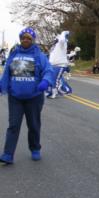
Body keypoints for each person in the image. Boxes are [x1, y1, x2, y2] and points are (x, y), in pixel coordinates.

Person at [0, 27, 54, 164]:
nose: (25, 40)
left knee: (34, 125)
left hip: (34, 98)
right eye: (23, 37)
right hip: (15, 97)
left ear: (33, 40)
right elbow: (7, 71)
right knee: (13, 126)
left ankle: (35, 148)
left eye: (28, 38)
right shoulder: (14, 54)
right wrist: (2, 85)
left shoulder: (39, 55)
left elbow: (48, 70)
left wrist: (46, 81)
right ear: (20, 39)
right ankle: (8, 154)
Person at [48, 31, 71, 98]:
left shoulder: (62, 44)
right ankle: (54, 92)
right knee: (53, 79)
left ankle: (56, 92)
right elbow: (52, 57)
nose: (54, 40)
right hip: (53, 65)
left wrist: (63, 33)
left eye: (56, 39)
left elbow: (61, 40)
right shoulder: (54, 47)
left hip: (60, 65)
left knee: (56, 79)